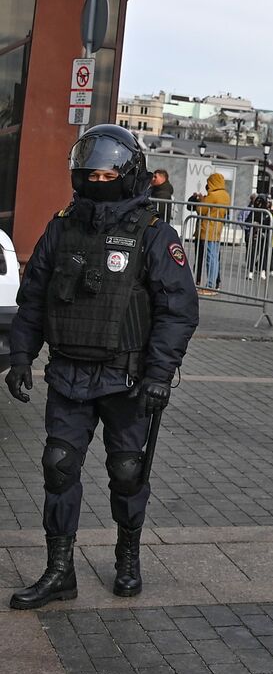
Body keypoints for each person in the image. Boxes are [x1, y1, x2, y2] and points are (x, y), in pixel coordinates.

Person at [5, 125, 198, 608]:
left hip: (126, 380)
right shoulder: (63, 226)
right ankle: (59, 571)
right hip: (69, 373)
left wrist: (158, 376)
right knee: (59, 467)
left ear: (130, 173)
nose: (100, 176)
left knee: (127, 472)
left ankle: (128, 557)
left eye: (110, 170)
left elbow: (178, 310)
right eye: (93, 169)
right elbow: (33, 297)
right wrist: (23, 356)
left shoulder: (154, 235)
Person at [194, 171, 229, 295]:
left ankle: (210, 286)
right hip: (217, 229)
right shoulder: (225, 195)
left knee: (210, 259)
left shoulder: (213, 195)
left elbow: (201, 210)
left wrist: (200, 200)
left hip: (208, 230)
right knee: (214, 258)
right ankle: (214, 284)